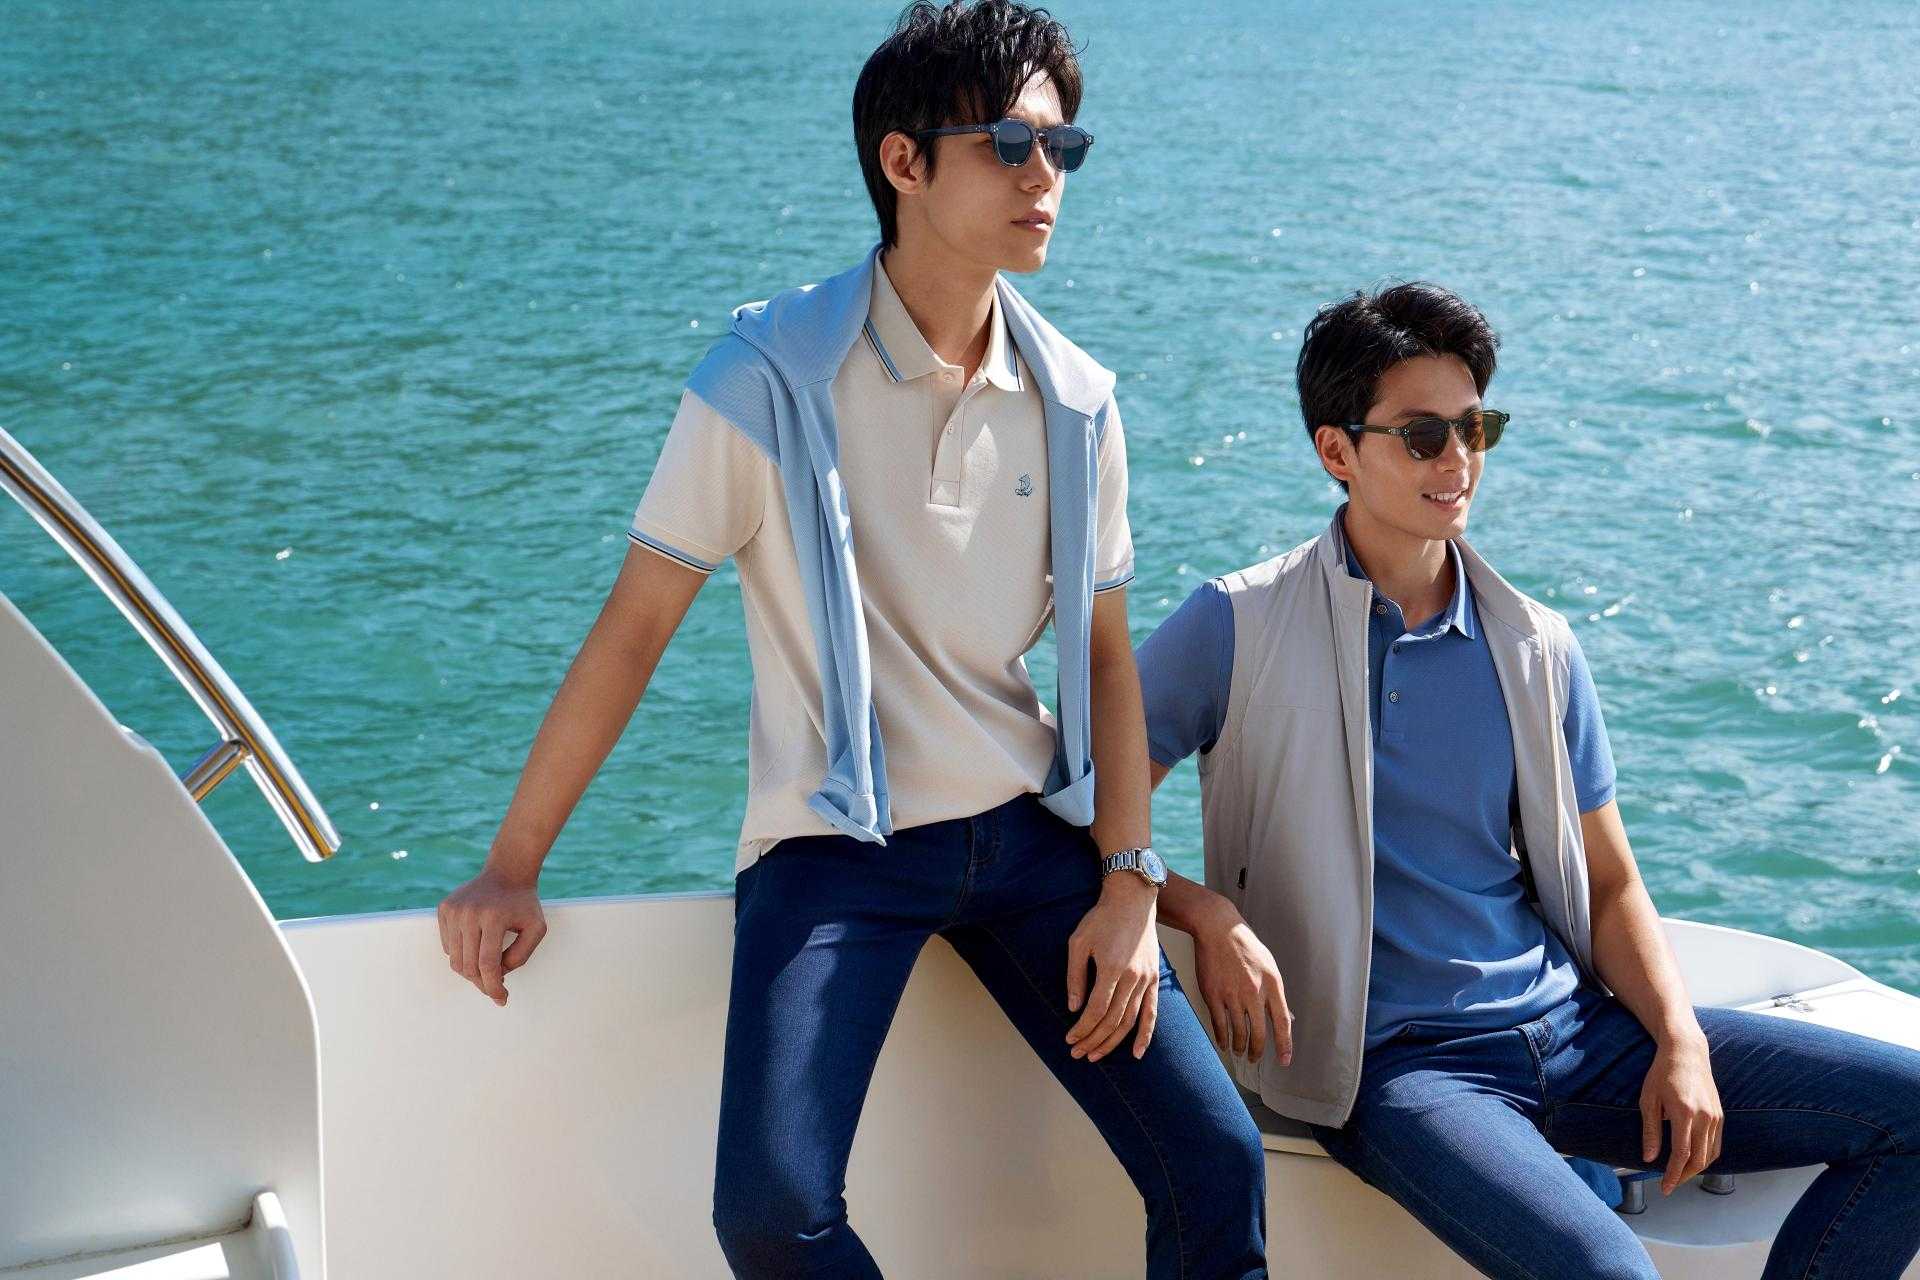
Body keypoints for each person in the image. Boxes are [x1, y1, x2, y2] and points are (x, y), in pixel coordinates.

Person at [437, 3, 1267, 1276]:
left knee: (1217, 1158)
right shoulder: (767, 376)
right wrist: (511, 863)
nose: (1045, 178)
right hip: (837, 850)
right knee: (773, 1208)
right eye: (1010, 145)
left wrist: (1130, 880)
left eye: (1062, 149)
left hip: (1031, 840)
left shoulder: (1078, 400)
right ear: (903, 161)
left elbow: (1106, 656)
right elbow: (635, 626)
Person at [1135, 280, 1920, 1279]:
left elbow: (1611, 879)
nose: (1457, 460)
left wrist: (1678, 1038)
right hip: (1403, 1070)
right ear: (1337, 450)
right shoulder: (1235, 624)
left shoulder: (1534, 644)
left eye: (1475, 428)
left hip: (1575, 1030)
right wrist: (1204, 913)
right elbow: (1084, 803)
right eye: (1423, 435)